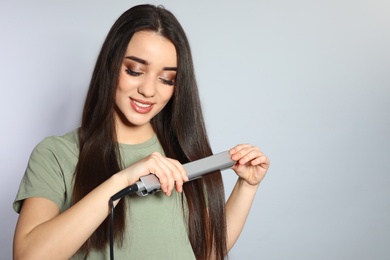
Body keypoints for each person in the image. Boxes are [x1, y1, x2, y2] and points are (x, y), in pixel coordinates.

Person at [12, 4, 270, 260]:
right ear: (111, 65)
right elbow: (29, 256)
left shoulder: (183, 152)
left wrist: (247, 186)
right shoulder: (57, 154)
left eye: (166, 79)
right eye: (135, 71)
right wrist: (122, 181)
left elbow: (207, 251)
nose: (149, 90)